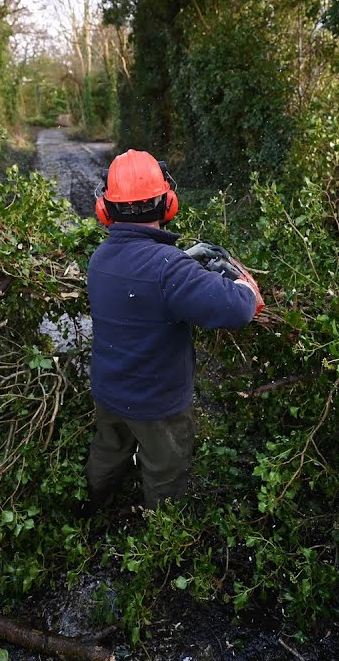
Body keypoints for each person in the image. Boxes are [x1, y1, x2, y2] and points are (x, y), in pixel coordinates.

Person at [82, 149, 263, 514]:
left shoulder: (100, 258)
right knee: (166, 468)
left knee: (108, 447)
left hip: (108, 389)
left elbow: (142, 282)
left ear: (107, 209)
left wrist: (185, 267)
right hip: (156, 403)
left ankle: (93, 504)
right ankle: (161, 535)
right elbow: (239, 309)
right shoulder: (169, 269)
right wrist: (242, 283)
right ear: (167, 203)